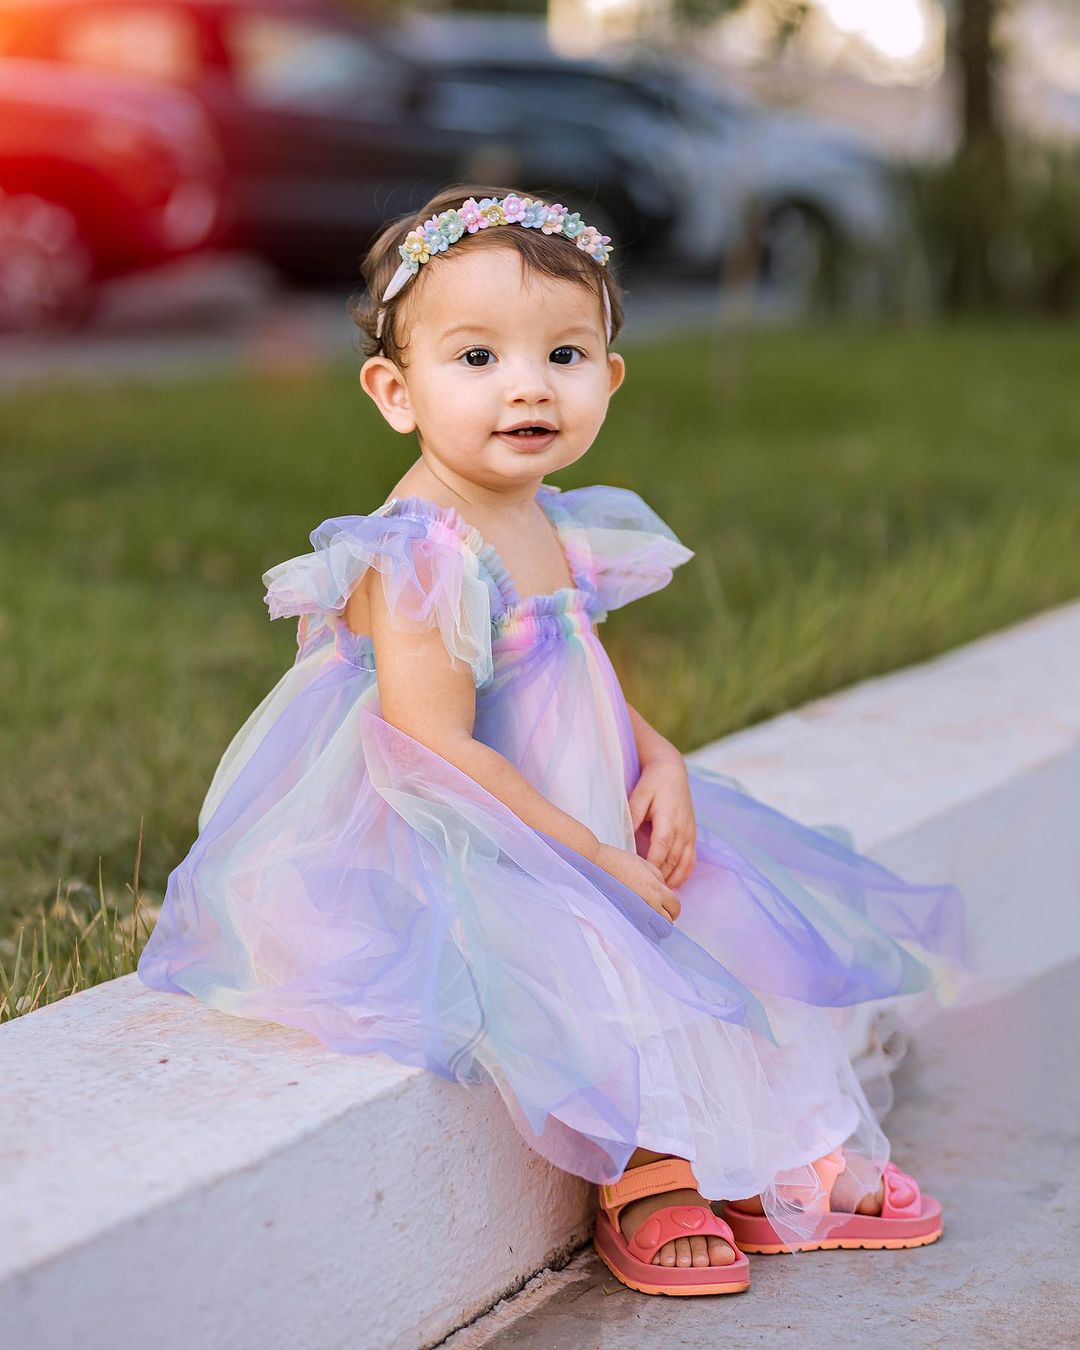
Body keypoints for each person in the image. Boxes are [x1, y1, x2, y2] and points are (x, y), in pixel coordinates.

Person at [137, 184, 966, 1297]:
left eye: (565, 354)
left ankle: (771, 1154)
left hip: (564, 806)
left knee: (728, 911)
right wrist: (591, 856)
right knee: (592, 955)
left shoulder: (549, 514)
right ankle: (648, 1166)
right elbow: (434, 747)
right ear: (395, 391)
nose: (528, 384)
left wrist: (659, 759)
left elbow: (574, 678)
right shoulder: (421, 550)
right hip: (458, 832)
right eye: (476, 358)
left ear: (609, 377)